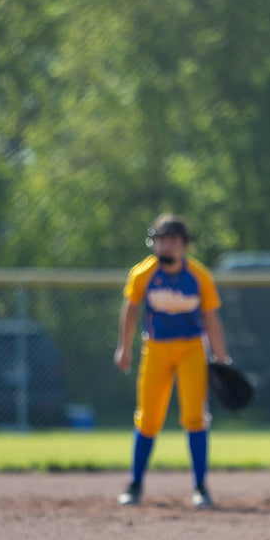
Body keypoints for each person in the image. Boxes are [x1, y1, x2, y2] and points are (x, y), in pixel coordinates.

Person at [113, 214, 230, 509]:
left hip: (192, 349)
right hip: (156, 349)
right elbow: (131, 309)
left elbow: (211, 317)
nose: (167, 246)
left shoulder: (199, 275)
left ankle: (200, 487)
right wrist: (124, 347)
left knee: (195, 417)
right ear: (154, 243)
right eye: (162, 240)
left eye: (173, 240)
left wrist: (220, 355)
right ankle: (135, 484)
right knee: (148, 419)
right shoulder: (143, 273)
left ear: (184, 245)